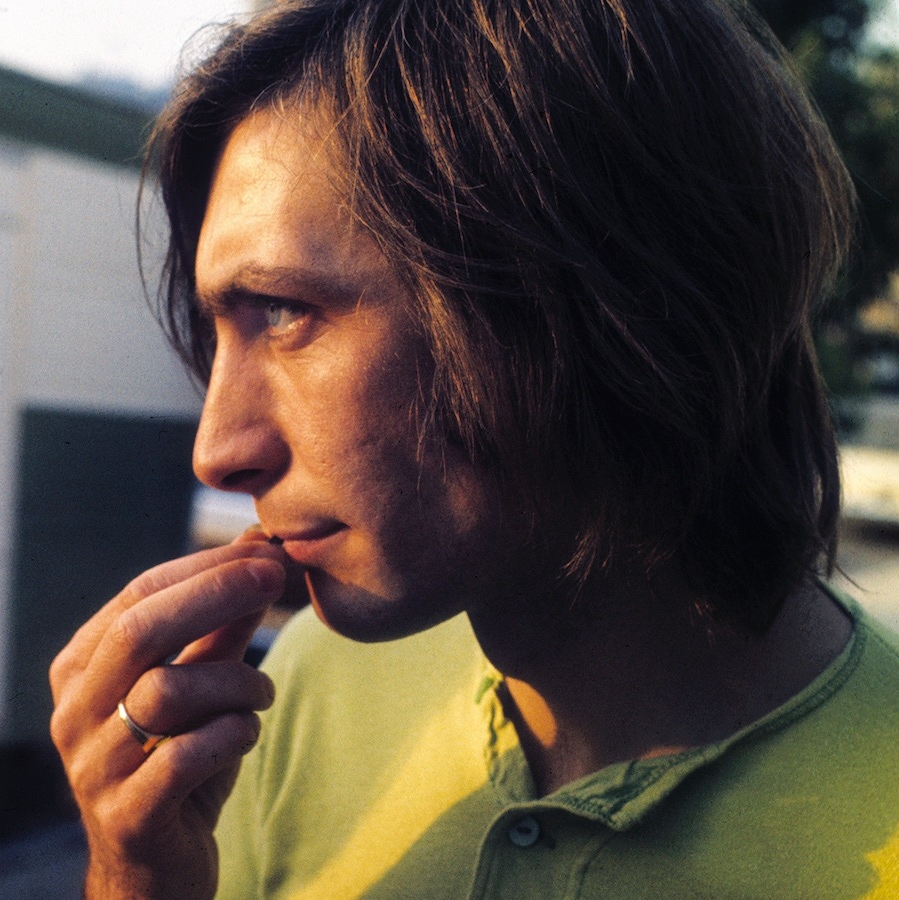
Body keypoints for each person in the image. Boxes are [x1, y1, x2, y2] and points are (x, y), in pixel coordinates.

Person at [50, 0, 898, 897]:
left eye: (287, 312)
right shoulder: (307, 684)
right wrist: (133, 874)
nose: (217, 451)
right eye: (218, 333)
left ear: (592, 299)